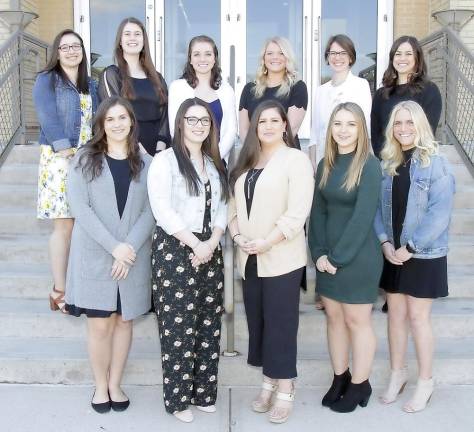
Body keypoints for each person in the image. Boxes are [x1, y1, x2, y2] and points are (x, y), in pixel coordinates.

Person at [65, 96, 155, 413]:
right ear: (102, 125)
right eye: (110, 119)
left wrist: (127, 248)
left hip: (132, 257)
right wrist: (114, 247)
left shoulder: (147, 164)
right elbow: (80, 209)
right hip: (94, 254)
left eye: (122, 118)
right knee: (100, 325)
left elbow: (151, 212)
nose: (117, 124)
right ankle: (100, 386)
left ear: (132, 121)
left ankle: (115, 383)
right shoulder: (83, 159)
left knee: (124, 322)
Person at [228, 100, 314, 424]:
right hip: (248, 258)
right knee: (258, 323)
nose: (267, 126)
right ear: (254, 127)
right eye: (261, 121)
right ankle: (267, 381)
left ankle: (285, 388)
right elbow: (232, 206)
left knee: (280, 325)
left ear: (285, 125)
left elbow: (297, 212)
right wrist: (238, 238)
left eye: (273, 120)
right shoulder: (247, 160)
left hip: (281, 258)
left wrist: (268, 241)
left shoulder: (296, 160)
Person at [147, 98, 228, 423]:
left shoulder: (213, 163)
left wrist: (211, 242)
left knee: (208, 324)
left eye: (204, 121)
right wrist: (197, 243)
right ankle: (178, 400)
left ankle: (203, 393)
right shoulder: (164, 162)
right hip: (176, 249)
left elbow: (223, 206)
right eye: (192, 119)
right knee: (177, 328)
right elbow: (162, 209)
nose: (198, 125)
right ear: (180, 123)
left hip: (210, 248)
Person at [375, 101, 455, 413]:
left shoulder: (436, 162)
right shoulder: (388, 162)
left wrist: (411, 247)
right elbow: (378, 210)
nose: (404, 129)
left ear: (420, 125)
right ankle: (398, 374)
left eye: (409, 123)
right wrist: (384, 243)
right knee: (395, 316)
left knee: (418, 318)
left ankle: (425, 381)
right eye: (398, 123)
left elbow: (440, 213)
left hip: (423, 253)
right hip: (393, 252)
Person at [308, 102, 382, 413]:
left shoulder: (369, 165)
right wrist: (320, 253)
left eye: (351, 124)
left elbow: (363, 218)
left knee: (357, 320)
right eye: (338, 123)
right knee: (335, 319)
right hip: (329, 258)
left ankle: (360, 384)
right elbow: (318, 212)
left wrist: (337, 258)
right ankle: (340, 377)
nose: (343, 130)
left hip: (358, 257)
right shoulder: (326, 163)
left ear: (361, 129)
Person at [33, 29, 98, 314]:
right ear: (56, 53)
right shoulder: (47, 80)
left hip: (87, 160)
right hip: (60, 159)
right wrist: (64, 149)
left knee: (83, 225)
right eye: (65, 47)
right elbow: (46, 115)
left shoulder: (91, 84)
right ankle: (59, 289)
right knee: (64, 226)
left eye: (76, 46)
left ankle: (77, 286)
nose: (72, 51)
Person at [99, 17, 170, 156]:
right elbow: (115, 115)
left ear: (144, 41)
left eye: (137, 34)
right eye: (127, 34)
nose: (133, 38)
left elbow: (165, 116)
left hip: (158, 152)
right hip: (127, 150)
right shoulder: (112, 74)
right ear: (120, 41)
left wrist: (160, 151)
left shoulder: (157, 78)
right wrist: (141, 152)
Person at [168, 35, 237, 163]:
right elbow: (174, 128)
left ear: (215, 58)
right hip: (187, 160)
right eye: (197, 54)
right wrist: (193, 158)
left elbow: (231, 130)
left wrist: (215, 158)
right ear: (190, 59)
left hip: (218, 160)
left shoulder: (226, 90)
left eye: (208, 54)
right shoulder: (177, 88)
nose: (202, 59)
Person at [371, 35, 442, 159]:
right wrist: (386, 159)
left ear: (417, 58)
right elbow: (376, 134)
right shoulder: (381, 94)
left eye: (408, 54)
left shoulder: (430, 90)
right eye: (398, 54)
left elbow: (428, 132)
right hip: (388, 163)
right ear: (392, 58)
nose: (402, 58)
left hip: (417, 163)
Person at [308, 34, 372, 170]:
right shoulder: (321, 91)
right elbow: (314, 132)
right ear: (327, 57)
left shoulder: (360, 85)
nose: (337, 57)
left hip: (351, 160)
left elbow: (365, 126)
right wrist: (313, 162)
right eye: (333, 53)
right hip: (324, 161)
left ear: (350, 57)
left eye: (343, 53)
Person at [239, 37, 308, 149]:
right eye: (270, 53)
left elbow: (291, 129)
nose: (275, 57)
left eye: (281, 53)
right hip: (255, 156)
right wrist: (255, 153)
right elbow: (244, 130)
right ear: (264, 58)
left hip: (286, 156)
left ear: (287, 58)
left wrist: (268, 155)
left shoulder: (297, 87)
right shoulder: (249, 89)